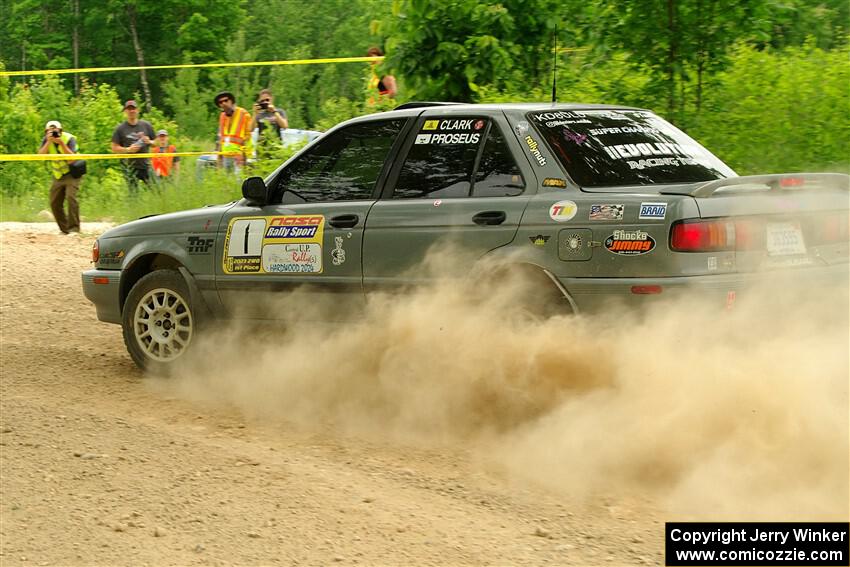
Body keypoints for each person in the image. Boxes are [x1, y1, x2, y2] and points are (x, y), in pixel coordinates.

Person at [38, 120, 82, 234]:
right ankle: (65, 229)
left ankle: (74, 229)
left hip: (72, 173)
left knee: (71, 197)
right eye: (50, 131)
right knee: (54, 202)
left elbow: (72, 159)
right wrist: (49, 141)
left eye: (55, 130)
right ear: (46, 132)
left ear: (61, 130)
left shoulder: (69, 139)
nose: (53, 133)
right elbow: (40, 156)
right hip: (58, 175)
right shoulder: (46, 139)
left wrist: (61, 143)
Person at [110, 99, 155, 191]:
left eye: (133, 108)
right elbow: (114, 148)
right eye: (129, 109)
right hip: (129, 167)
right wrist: (128, 150)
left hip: (145, 165)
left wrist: (149, 142)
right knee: (133, 195)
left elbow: (157, 143)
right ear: (125, 111)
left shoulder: (146, 125)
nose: (131, 111)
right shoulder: (120, 128)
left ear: (137, 110)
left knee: (156, 190)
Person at [214, 90, 252, 173]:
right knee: (226, 182)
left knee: (239, 182)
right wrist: (219, 156)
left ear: (232, 101)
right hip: (225, 155)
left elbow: (249, 134)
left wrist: (245, 155)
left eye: (226, 100)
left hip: (239, 156)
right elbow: (221, 137)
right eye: (220, 102)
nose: (223, 103)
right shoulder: (222, 116)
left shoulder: (244, 114)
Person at [249, 89, 288, 159]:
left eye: (267, 100)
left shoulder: (279, 111)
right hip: (262, 148)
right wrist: (254, 113)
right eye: (262, 101)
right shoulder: (259, 114)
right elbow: (250, 129)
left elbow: (285, 126)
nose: (265, 102)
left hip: (276, 146)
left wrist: (274, 111)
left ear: (272, 99)